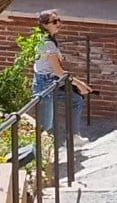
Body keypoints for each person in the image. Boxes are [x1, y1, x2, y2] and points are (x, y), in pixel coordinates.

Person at [27, 10, 89, 143]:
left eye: (58, 20)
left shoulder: (49, 40)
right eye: (54, 22)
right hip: (45, 86)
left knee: (76, 100)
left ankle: (73, 137)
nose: (58, 24)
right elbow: (58, 71)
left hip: (52, 82)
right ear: (45, 25)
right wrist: (79, 84)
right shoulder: (47, 43)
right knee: (45, 125)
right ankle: (39, 157)